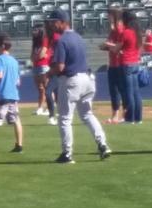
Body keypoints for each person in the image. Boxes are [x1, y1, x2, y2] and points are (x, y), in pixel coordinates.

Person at [46, 9, 111, 164]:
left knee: (65, 119)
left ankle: (67, 154)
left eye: (54, 21)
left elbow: (60, 67)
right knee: (87, 115)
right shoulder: (79, 38)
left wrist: (48, 74)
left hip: (72, 80)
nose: (52, 24)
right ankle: (103, 144)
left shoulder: (62, 40)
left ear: (62, 22)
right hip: (88, 79)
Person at [100, 6, 126, 124]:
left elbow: (120, 48)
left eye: (109, 15)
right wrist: (106, 46)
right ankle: (115, 115)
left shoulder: (120, 29)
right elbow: (111, 45)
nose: (107, 17)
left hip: (120, 63)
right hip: (113, 63)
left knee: (122, 90)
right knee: (114, 91)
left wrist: (108, 45)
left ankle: (125, 114)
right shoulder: (113, 30)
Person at [118, 9, 144, 125]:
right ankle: (138, 118)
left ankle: (129, 118)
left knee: (128, 92)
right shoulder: (137, 32)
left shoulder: (126, 32)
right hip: (135, 63)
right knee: (136, 92)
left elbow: (118, 47)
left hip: (127, 62)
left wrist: (108, 46)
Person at [30, 25, 55, 120]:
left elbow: (42, 54)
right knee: (40, 89)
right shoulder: (35, 42)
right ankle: (40, 108)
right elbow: (32, 55)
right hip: (36, 66)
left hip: (44, 66)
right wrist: (35, 58)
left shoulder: (45, 40)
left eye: (36, 30)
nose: (34, 31)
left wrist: (36, 58)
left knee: (47, 88)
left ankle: (50, 108)